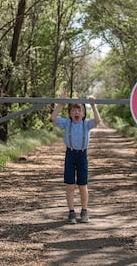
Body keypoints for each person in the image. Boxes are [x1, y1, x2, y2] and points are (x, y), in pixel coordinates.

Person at [50, 94, 101, 224]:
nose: (76, 112)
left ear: (83, 113)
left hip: (82, 155)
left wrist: (93, 105)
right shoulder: (67, 123)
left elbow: (97, 120)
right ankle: (71, 212)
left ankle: (84, 210)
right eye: (73, 110)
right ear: (70, 113)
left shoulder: (87, 124)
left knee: (82, 186)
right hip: (70, 155)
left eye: (79, 110)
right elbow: (53, 118)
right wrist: (61, 103)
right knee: (70, 186)